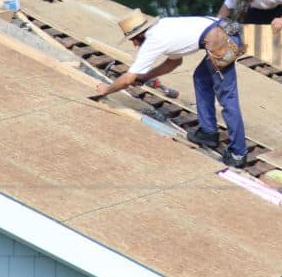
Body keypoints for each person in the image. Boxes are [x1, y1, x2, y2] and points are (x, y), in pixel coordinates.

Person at [95, 9, 249, 167]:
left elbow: (128, 78)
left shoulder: (152, 40)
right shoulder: (163, 27)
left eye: (133, 40)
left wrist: (106, 90)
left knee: (227, 97)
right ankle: (208, 132)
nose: (134, 45)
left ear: (140, 34)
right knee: (201, 78)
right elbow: (174, 62)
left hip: (223, 40)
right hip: (225, 31)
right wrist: (145, 76)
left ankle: (238, 153)